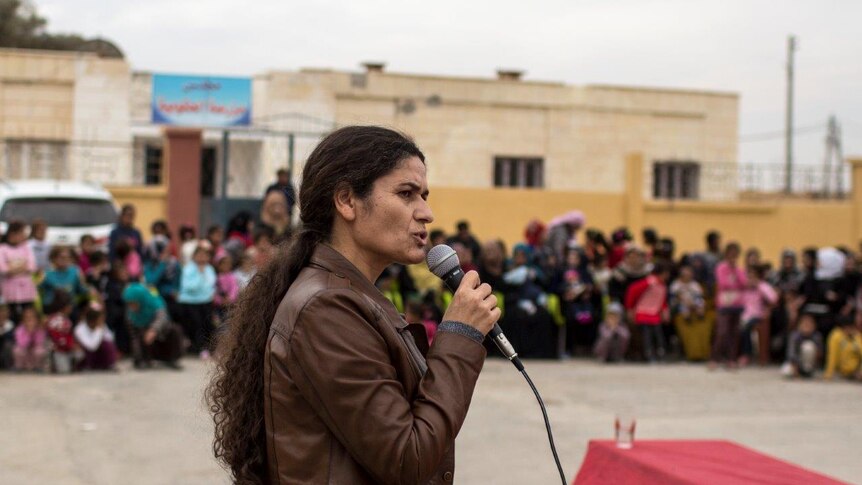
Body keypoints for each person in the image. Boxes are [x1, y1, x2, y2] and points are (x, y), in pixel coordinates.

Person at [207, 126, 498, 484]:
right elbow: (409, 457)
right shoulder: (325, 308)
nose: (426, 213)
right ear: (346, 201)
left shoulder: (348, 295)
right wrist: (459, 336)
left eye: (424, 195)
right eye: (406, 194)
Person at [123, 282, 184, 370]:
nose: (132, 307)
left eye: (133, 303)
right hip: (146, 342)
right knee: (140, 336)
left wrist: (153, 330)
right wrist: (137, 357)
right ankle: (144, 360)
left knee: (175, 330)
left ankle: (172, 359)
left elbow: (162, 317)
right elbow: (133, 337)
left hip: (161, 333)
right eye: (129, 304)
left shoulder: (154, 301)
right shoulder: (130, 314)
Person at [711, 242, 747, 369]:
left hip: (737, 304)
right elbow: (723, 283)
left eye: (735, 255)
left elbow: (744, 283)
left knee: (734, 333)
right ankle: (715, 358)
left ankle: (731, 359)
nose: (733, 257)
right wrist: (735, 283)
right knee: (722, 331)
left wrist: (735, 273)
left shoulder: (739, 269)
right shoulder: (721, 268)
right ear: (726, 254)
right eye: (730, 254)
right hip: (724, 303)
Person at [625, 262, 671, 363]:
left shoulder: (662, 285)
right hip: (643, 312)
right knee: (647, 335)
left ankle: (660, 353)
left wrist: (664, 311)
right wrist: (630, 308)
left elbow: (661, 300)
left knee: (658, 335)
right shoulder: (649, 282)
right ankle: (648, 354)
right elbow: (632, 291)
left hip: (654, 314)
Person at [178, 245, 216, 359]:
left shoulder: (209, 268)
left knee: (208, 324)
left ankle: (209, 348)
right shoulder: (188, 268)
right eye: (199, 254)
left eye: (205, 255)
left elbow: (211, 284)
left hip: (206, 300)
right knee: (197, 324)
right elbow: (189, 287)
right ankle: (199, 348)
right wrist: (200, 274)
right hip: (190, 301)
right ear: (194, 256)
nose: (202, 257)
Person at [738, 264, 778, 367]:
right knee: (740, 325)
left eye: (752, 277)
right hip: (743, 315)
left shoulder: (762, 286)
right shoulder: (743, 288)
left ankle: (747, 354)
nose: (750, 279)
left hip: (757, 316)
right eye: (748, 276)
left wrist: (759, 286)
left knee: (745, 327)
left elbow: (774, 298)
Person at [0, 220, 38, 324]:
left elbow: (32, 266)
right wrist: (22, 266)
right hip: (10, 290)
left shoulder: (26, 247)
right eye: (22, 233)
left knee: (28, 313)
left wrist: (12, 267)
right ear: (13, 233)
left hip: (26, 289)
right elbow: (3, 269)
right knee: (12, 316)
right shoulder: (3, 249)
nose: (24, 236)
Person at [74, 303, 117, 371]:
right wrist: (98, 330)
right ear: (93, 320)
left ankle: (108, 365)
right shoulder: (79, 329)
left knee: (107, 344)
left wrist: (100, 330)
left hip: (98, 355)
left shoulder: (102, 325)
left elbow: (110, 339)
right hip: (87, 357)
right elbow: (92, 346)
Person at [45, 290, 79, 374]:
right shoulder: (56, 321)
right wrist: (70, 346)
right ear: (65, 307)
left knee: (79, 354)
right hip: (57, 350)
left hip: (66, 348)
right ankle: (53, 365)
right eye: (70, 305)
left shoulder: (65, 319)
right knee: (63, 371)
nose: (71, 307)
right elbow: (58, 339)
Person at [782, 313, 823, 378]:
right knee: (786, 371)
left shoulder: (817, 336)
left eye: (809, 324)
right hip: (796, 363)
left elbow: (820, 354)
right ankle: (798, 371)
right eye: (805, 324)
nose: (807, 326)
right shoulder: (794, 336)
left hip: (809, 364)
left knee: (808, 346)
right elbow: (791, 352)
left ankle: (807, 371)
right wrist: (795, 365)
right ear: (799, 325)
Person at [823, 314, 862, 381]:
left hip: (855, 371)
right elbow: (832, 355)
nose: (848, 330)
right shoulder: (836, 336)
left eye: (851, 327)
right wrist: (828, 373)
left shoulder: (857, 336)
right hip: (840, 372)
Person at [12, 306, 47, 372]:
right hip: (24, 351)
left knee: (40, 351)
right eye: (27, 318)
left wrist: (33, 332)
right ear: (23, 319)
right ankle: (19, 366)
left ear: (37, 319)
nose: (30, 320)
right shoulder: (20, 329)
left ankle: (38, 367)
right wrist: (28, 333)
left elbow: (39, 343)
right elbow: (21, 344)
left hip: (34, 352)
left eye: (32, 317)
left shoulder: (40, 329)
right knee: (17, 350)